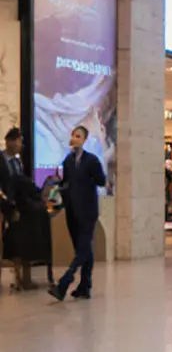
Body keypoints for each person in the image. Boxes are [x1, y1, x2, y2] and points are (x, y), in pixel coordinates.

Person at [49, 126, 106, 301]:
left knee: (82, 248)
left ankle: (66, 281)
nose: (74, 138)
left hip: (88, 211)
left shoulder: (92, 161)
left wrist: (91, 179)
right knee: (83, 249)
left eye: (78, 136)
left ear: (85, 139)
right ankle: (84, 286)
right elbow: (66, 182)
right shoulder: (68, 161)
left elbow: (101, 181)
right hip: (72, 210)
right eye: (73, 135)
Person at [1, 127, 49, 290]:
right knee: (10, 243)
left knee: (26, 239)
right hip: (5, 208)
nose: (20, 145)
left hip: (22, 208)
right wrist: (8, 208)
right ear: (9, 141)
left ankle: (25, 278)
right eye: (18, 141)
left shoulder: (18, 161)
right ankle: (16, 276)